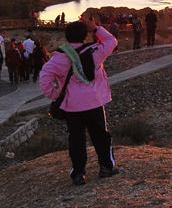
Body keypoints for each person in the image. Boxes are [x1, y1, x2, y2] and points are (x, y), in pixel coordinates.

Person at [40, 20, 119, 186]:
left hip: (72, 106)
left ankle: (78, 174)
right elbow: (112, 41)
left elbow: (45, 77)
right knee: (101, 136)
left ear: (67, 37)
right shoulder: (95, 51)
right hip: (94, 102)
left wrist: (55, 95)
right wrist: (96, 28)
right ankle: (106, 167)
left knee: (76, 139)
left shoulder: (59, 57)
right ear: (85, 35)